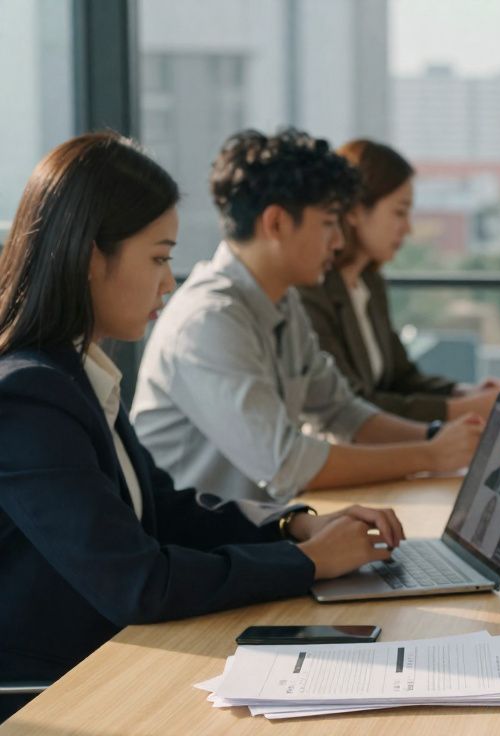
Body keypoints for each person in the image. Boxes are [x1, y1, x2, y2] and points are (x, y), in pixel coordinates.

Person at [0, 133, 405, 721]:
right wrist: (310, 565)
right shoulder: (28, 396)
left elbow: (163, 507)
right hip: (63, 692)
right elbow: (137, 581)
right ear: (92, 257)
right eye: (159, 257)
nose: (168, 282)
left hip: (121, 662)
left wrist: (293, 527)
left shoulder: (75, 373)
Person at [131, 129, 485, 507]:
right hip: (199, 553)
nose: (337, 241)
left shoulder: (282, 302)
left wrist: (434, 438)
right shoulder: (208, 321)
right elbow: (287, 464)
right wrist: (429, 455)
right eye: (329, 223)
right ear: (277, 223)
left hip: (260, 536)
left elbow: (341, 410)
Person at [298, 139, 500, 424]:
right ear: (353, 211)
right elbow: (352, 406)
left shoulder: (369, 285)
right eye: (399, 212)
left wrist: (465, 393)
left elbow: (402, 377)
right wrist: (464, 410)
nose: (408, 227)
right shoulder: (312, 291)